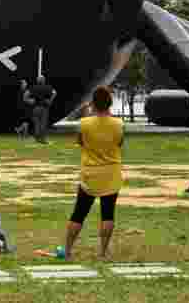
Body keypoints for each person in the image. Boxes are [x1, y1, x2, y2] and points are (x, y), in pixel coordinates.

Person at [62, 85, 123, 260]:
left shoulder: (84, 123)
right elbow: (119, 143)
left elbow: (80, 142)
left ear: (93, 103)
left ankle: (68, 251)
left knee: (79, 212)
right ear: (110, 103)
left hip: (90, 173)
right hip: (111, 172)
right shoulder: (118, 124)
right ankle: (103, 253)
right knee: (108, 213)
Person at [29, 75, 57, 143]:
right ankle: (42, 139)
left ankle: (37, 139)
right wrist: (50, 100)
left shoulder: (33, 87)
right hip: (44, 108)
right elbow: (54, 93)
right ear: (44, 80)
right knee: (43, 124)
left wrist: (29, 100)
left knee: (37, 124)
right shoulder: (48, 87)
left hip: (36, 108)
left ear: (37, 80)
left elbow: (25, 95)